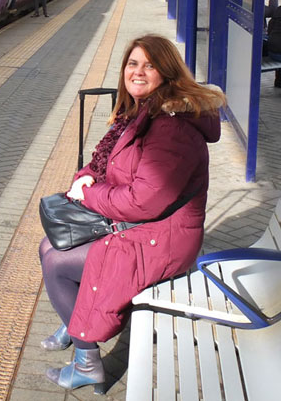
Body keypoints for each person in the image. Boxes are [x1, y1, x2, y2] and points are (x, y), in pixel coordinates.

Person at [39, 34, 226, 392]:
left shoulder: (171, 127)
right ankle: (75, 317)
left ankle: (86, 360)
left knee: (57, 262)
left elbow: (146, 201)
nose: (138, 72)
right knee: (49, 246)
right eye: (132, 63)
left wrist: (90, 194)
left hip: (164, 238)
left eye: (150, 65)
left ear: (166, 73)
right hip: (145, 227)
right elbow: (105, 162)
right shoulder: (143, 112)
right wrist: (86, 178)